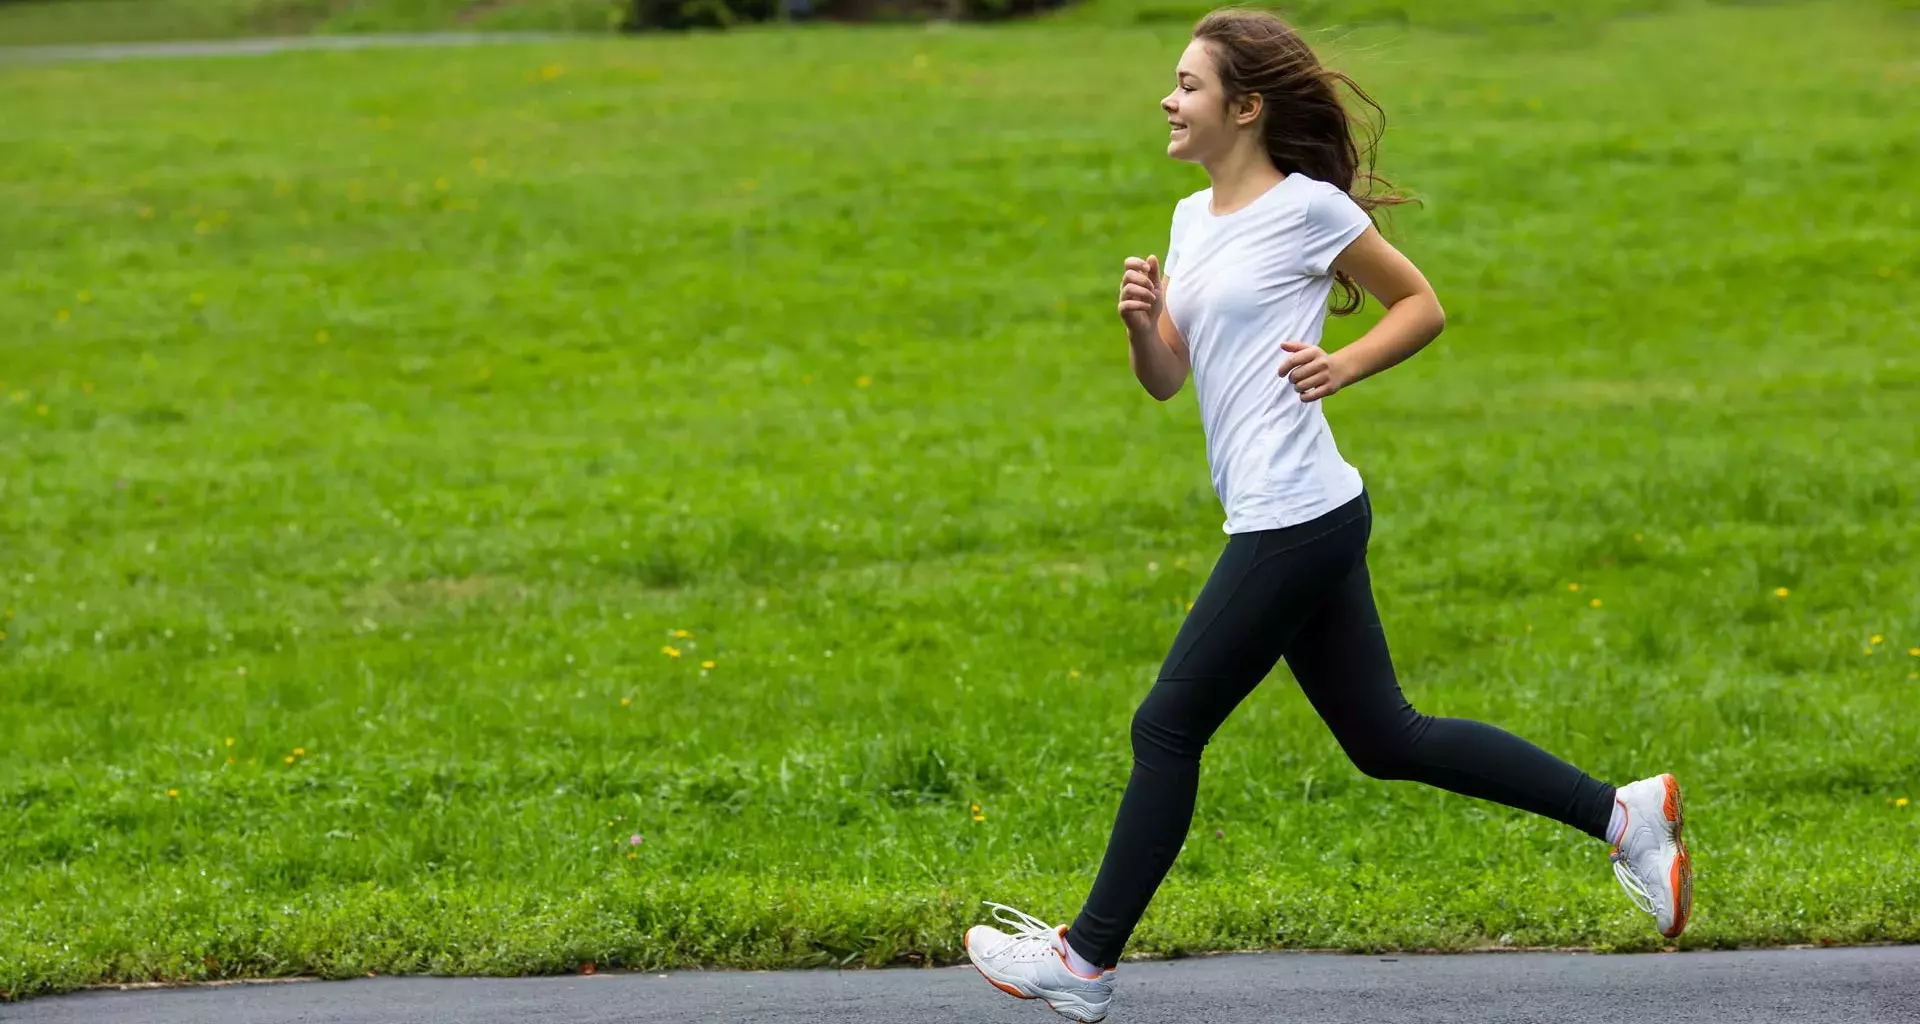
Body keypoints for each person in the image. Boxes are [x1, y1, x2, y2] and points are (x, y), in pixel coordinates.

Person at [961, 8, 1692, 1022]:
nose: (1168, 101)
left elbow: (1421, 305)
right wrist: (1140, 326)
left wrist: (1339, 365)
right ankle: (1624, 815)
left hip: (1292, 516)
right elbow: (1170, 379)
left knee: (1167, 723)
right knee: (1386, 736)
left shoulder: (1308, 211)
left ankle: (1084, 963)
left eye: (1188, 85)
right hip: (1294, 510)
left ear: (1246, 106)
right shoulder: (1187, 217)